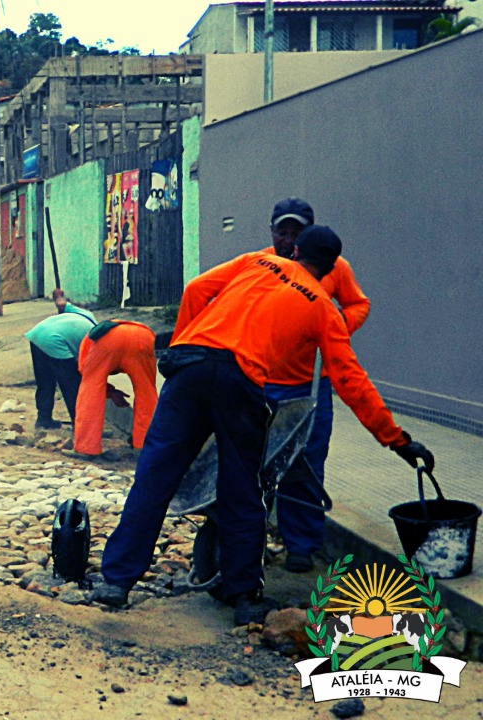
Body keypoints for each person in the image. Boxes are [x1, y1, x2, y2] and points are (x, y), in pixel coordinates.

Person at [91, 226, 434, 625]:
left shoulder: (259, 260)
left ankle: (116, 582)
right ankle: (243, 598)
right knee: (242, 491)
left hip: (189, 370)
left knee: (153, 477)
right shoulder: (324, 306)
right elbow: (350, 381)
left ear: (296, 251)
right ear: (330, 270)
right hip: (240, 382)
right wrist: (396, 441)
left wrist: (184, 342)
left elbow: (198, 289)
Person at [260, 198, 371, 574]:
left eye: (298, 232)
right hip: (262, 383)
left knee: (304, 465)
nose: (289, 239)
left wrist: (335, 325)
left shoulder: (334, 266)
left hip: (312, 386)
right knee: (253, 463)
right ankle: (249, 540)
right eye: (283, 231)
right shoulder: (259, 265)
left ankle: (301, 545)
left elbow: (358, 305)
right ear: (271, 232)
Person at [70, 319, 158, 457]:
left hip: (108, 341)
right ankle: (145, 445)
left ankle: (86, 448)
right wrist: (112, 392)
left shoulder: (88, 343)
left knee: (90, 388)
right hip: (142, 336)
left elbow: (85, 373)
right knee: (146, 391)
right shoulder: (121, 327)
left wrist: (109, 392)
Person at [22, 289, 95, 431]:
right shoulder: (96, 342)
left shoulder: (88, 315)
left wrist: (59, 296)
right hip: (55, 341)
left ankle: (44, 419)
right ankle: (80, 426)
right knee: (71, 385)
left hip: (38, 333)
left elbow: (62, 304)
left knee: (45, 381)